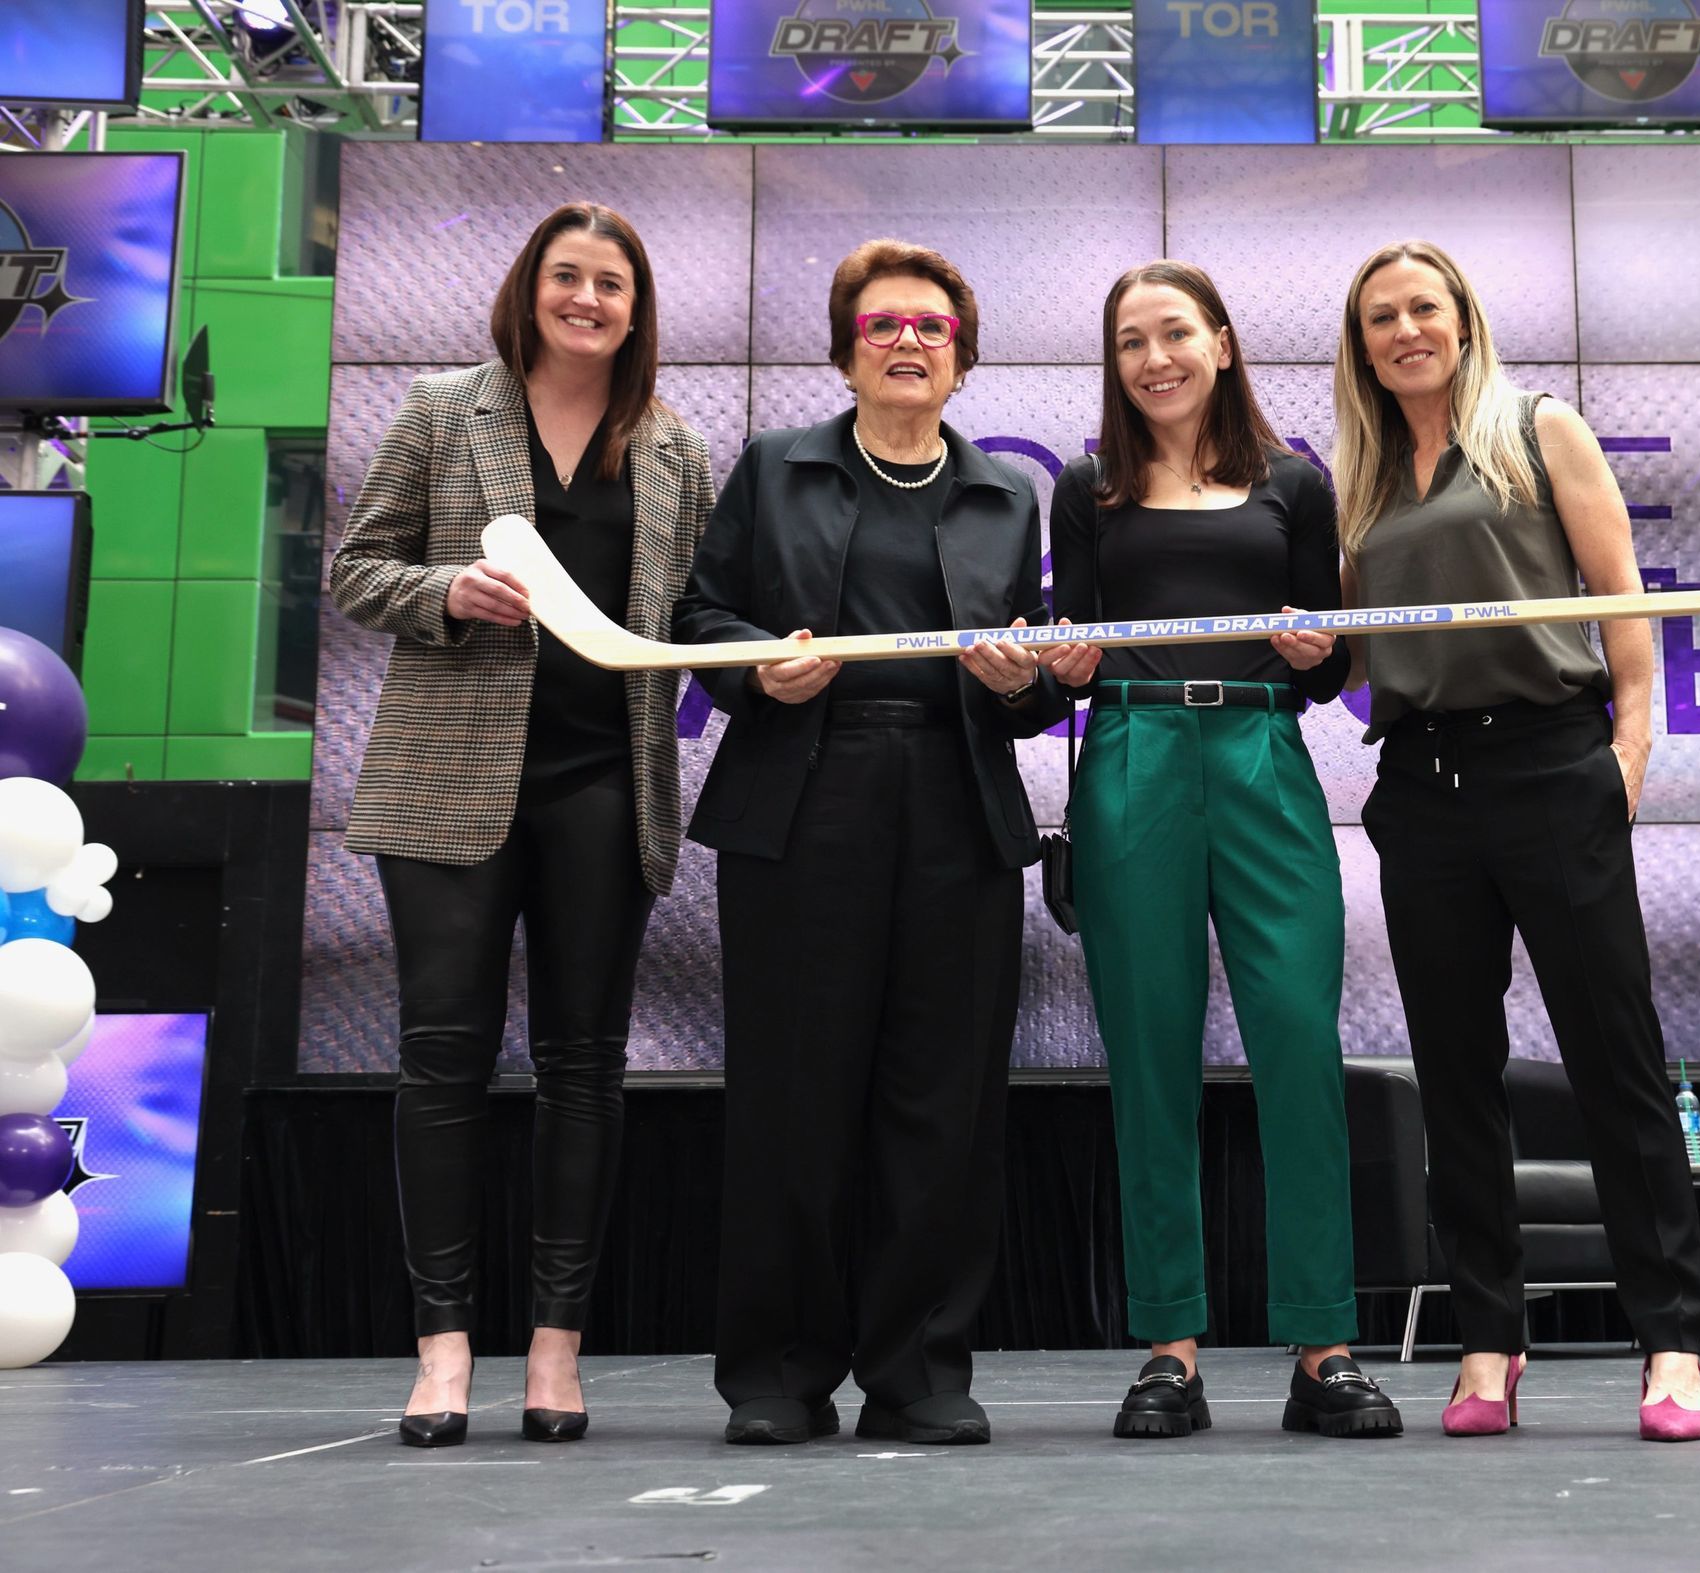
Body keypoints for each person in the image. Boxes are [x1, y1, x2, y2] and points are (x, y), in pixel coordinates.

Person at [329, 202, 713, 1448]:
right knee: (442, 1058)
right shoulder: (446, 410)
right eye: (568, 277)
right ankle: (443, 1352)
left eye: (612, 283)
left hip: (607, 781)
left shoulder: (673, 448)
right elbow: (356, 569)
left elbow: (691, 624)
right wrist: (447, 589)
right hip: (445, 780)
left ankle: (556, 1352)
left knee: (583, 1067)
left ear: (637, 309)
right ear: (528, 287)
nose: (588, 299)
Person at [672, 238, 1063, 1448]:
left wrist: (1018, 679)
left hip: (957, 805)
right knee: (796, 1092)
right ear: (846, 348)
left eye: (930, 328)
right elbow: (697, 614)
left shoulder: (1007, 491)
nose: (906, 342)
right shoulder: (773, 468)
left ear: (960, 357)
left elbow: (1038, 682)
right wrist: (759, 671)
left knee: (940, 1102)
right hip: (801, 799)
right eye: (882, 323)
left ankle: (919, 1372)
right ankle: (778, 1374)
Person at [1333, 239, 1700, 1442]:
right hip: (1419, 785)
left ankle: (1670, 1347)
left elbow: (1619, 598)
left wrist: (1629, 749)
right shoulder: (1360, 471)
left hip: (1551, 765)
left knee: (1615, 1060)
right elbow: (1356, 650)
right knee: (1453, 1075)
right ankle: (1487, 1344)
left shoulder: (1540, 427)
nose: (1403, 330)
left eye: (1421, 308)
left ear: (1460, 318)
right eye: (1380, 316)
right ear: (1361, 342)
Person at [1044, 260, 1403, 1442]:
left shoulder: (1294, 483)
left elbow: (1335, 662)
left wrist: (1317, 655)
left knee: (1298, 1042)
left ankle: (1323, 1347)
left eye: (1174, 334)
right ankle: (1169, 1351)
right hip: (1133, 755)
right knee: (1148, 1053)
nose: (1154, 357)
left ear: (1223, 343)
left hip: (1260, 754)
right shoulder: (1087, 487)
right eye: (1131, 340)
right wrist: (1064, 661)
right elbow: (1075, 645)